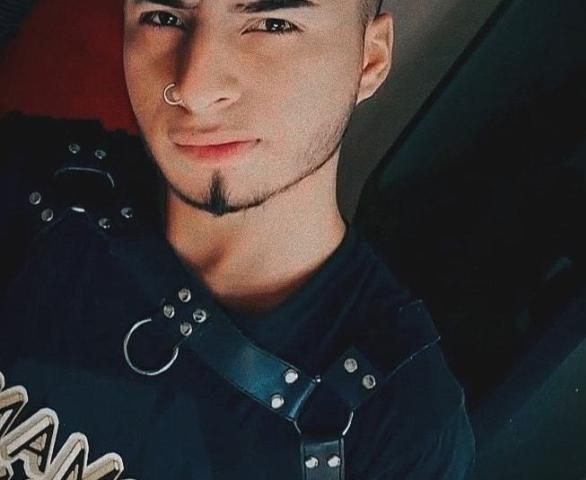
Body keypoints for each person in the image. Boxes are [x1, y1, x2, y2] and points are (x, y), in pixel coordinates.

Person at [0, 0, 475, 478]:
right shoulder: (36, 182)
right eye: (164, 19)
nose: (195, 89)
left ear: (369, 60)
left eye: (273, 24)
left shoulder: (403, 427)